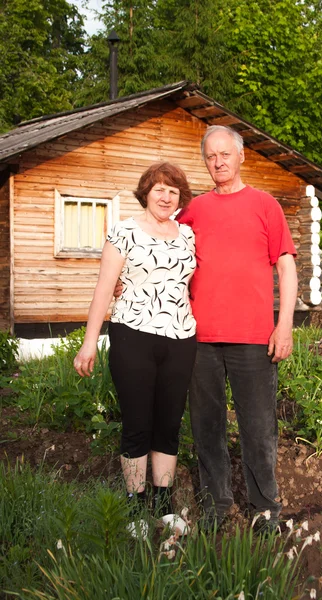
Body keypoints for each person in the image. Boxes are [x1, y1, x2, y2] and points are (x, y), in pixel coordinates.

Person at [176, 125, 298, 534]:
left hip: (253, 337)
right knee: (206, 426)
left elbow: (285, 265)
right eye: (211, 156)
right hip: (201, 338)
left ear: (241, 155)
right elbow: (159, 245)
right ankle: (216, 504)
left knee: (258, 427)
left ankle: (265, 509)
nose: (218, 162)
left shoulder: (266, 205)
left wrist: (284, 326)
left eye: (225, 154)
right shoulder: (193, 210)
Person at [74, 162, 197, 534]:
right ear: (146, 192)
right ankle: (133, 511)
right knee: (138, 423)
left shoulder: (188, 235)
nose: (165, 196)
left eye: (173, 191)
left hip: (181, 339)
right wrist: (88, 342)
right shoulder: (123, 231)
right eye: (159, 188)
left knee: (169, 425)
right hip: (133, 335)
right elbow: (104, 288)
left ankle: (163, 506)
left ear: (180, 198)